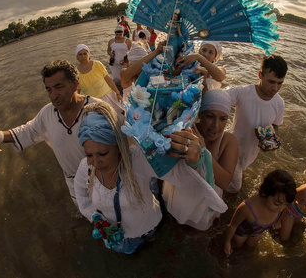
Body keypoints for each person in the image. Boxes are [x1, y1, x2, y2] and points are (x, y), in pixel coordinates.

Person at [74, 102, 226, 254]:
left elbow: (180, 176)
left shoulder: (138, 159)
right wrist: (97, 219)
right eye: (89, 155)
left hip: (148, 227)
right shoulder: (86, 168)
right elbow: (82, 197)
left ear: (119, 145)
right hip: (114, 234)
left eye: (103, 154)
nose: (95, 162)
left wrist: (194, 159)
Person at [0, 60, 100, 207]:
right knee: (92, 218)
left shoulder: (97, 110)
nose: (54, 95)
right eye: (49, 90)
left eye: (59, 87)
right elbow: (29, 130)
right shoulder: (47, 113)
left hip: (105, 179)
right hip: (75, 183)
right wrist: (0, 135)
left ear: (75, 84)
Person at [162, 89, 239, 230]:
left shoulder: (228, 141)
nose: (216, 125)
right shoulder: (186, 131)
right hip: (180, 194)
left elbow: (225, 182)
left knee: (199, 229)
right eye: (210, 116)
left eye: (223, 119)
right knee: (174, 222)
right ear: (200, 115)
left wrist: (203, 151)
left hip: (204, 203)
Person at [226, 54, 288, 193]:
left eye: (280, 83)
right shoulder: (242, 92)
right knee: (235, 188)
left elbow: (275, 125)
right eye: (271, 82)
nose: (275, 88)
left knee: (238, 174)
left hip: (251, 153)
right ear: (260, 75)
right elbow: (218, 99)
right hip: (232, 149)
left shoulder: (279, 103)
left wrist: (272, 138)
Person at [224, 169, 296, 255]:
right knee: (238, 245)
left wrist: (278, 220)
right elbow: (233, 225)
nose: (281, 209)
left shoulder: (280, 205)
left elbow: (284, 208)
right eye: (277, 203)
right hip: (242, 231)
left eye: (285, 205)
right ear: (265, 193)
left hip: (258, 232)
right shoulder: (247, 208)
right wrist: (227, 242)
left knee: (250, 247)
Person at [74, 44, 123, 115]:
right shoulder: (76, 73)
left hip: (107, 96)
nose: (83, 56)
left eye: (85, 53)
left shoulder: (97, 65)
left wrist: (118, 93)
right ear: (77, 57)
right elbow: (77, 91)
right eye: (80, 54)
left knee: (118, 116)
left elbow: (108, 79)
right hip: (92, 103)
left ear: (88, 54)